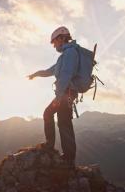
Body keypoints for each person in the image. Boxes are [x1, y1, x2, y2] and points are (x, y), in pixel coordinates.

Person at [27, 26, 78, 168]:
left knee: (60, 120)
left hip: (65, 94)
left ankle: (66, 157)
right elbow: (50, 71)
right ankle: (65, 155)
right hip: (65, 93)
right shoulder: (65, 56)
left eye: (54, 41)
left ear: (62, 38)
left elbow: (66, 75)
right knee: (61, 120)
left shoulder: (70, 53)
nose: (53, 45)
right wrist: (36, 74)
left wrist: (59, 95)